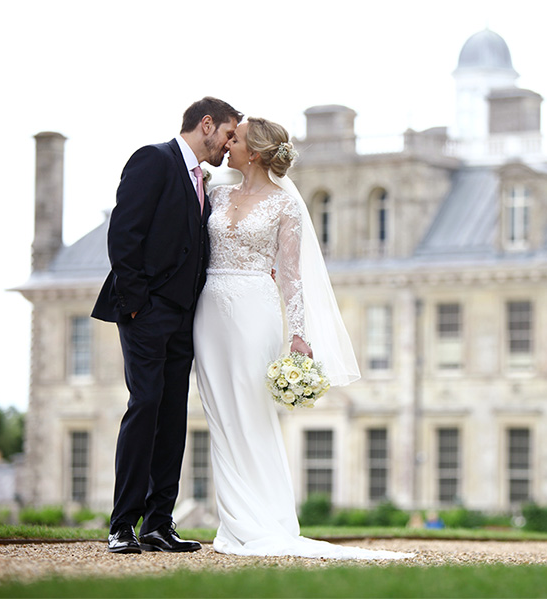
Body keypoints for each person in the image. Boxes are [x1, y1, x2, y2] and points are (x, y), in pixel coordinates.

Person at [194, 117, 411, 559]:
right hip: (208, 313)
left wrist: (299, 335)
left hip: (255, 312)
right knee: (219, 417)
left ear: (253, 152)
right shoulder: (215, 192)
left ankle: (264, 519)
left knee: (252, 415)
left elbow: (292, 278)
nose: (226, 144)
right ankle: (232, 520)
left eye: (234, 139)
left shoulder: (285, 206)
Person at [92, 97, 243, 554]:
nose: (229, 145)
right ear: (206, 124)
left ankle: (159, 522)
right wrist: (139, 304)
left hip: (184, 318)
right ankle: (122, 525)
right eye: (229, 134)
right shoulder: (152, 159)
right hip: (147, 312)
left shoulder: (203, 179)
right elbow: (124, 235)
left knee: (174, 415)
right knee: (147, 405)